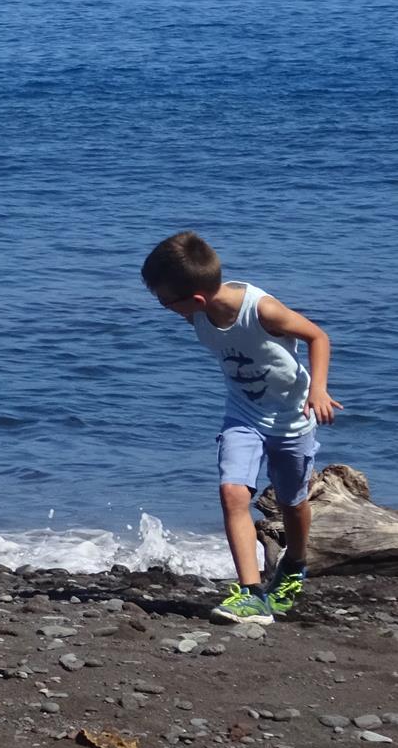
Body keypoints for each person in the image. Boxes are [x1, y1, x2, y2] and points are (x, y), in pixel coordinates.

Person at [141, 231, 340, 623]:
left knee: (292, 502)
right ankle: (250, 594)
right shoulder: (199, 312)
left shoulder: (262, 310)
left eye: (166, 302)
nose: (165, 308)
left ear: (195, 299)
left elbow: (318, 336)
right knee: (233, 494)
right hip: (243, 416)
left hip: (292, 417)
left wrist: (317, 389)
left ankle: (295, 562)